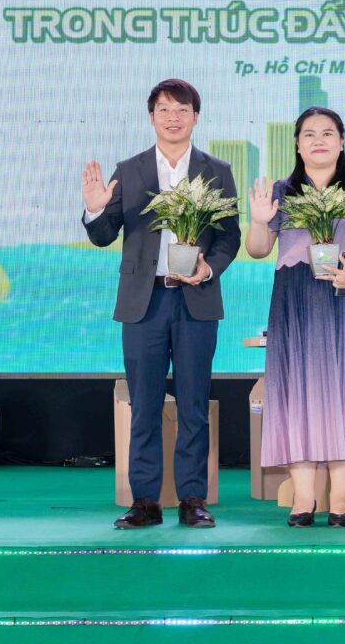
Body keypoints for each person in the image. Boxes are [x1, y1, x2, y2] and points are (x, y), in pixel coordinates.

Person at [82, 78, 240, 529]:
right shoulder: (129, 170)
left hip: (195, 299)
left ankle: (193, 498)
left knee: (193, 405)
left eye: (182, 110)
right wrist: (95, 210)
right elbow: (103, 236)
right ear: (151, 117)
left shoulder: (217, 171)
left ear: (196, 117)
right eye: (165, 110)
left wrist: (208, 269)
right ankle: (145, 501)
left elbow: (229, 238)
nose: (174, 118)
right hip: (144, 302)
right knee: (145, 406)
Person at [246, 107, 345, 528]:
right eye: (309, 134)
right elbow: (257, 249)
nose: (319, 140)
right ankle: (303, 497)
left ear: (341, 142)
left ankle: (341, 497)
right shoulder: (281, 191)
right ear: (297, 144)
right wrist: (259, 221)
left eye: (328, 133)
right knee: (295, 391)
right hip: (295, 296)